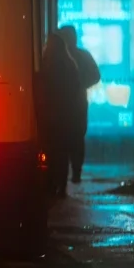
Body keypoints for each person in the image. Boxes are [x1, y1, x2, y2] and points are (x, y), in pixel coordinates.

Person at [39, 33, 83, 197]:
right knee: (62, 152)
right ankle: (62, 186)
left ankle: (51, 185)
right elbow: (75, 88)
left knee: (50, 151)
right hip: (66, 116)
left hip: (50, 116)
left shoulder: (47, 65)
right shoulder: (70, 65)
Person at [58, 25, 101, 183]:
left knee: (64, 139)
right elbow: (96, 75)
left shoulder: (57, 57)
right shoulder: (83, 55)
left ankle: (65, 175)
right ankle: (76, 173)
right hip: (78, 103)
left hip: (62, 105)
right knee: (77, 138)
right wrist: (81, 85)